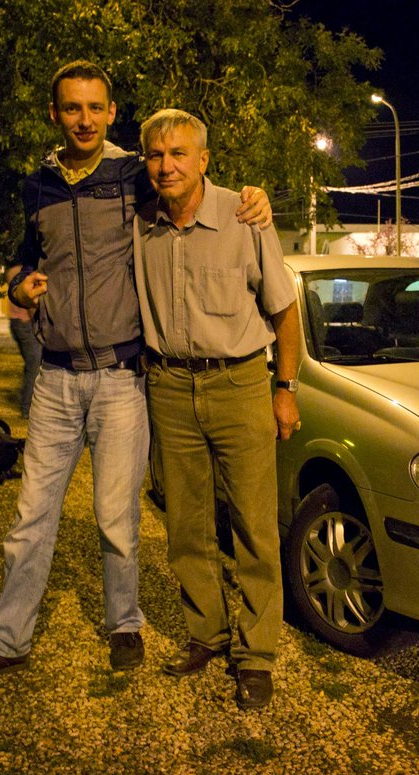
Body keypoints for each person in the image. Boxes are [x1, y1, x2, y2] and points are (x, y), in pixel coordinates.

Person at [0, 63, 271, 688]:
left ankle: (124, 623)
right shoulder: (36, 184)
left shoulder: (131, 174)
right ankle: (5, 640)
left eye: (95, 108)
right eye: (72, 109)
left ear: (112, 112)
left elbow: (189, 189)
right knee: (30, 517)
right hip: (56, 378)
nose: (84, 120)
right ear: (55, 114)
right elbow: (22, 256)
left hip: (122, 377)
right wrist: (16, 282)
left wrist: (252, 199)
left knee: (116, 517)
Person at [133, 109, 299, 710]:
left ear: (204, 159)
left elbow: (284, 312)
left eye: (179, 153)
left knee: (254, 526)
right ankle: (206, 631)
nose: (166, 165)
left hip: (239, 387)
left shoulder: (243, 214)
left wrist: (286, 388)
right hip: (170, 388)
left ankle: (255, 654)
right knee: (186, 527)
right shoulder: (140, 221)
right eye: (155, 154)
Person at [4, 264, 42, 418]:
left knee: (31, 365)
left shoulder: (12, 271)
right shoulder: (28, 273)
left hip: (15, 323)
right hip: (25, 324)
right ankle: (27, 408)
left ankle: (29, 403)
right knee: (34, 364)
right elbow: (30, 303)